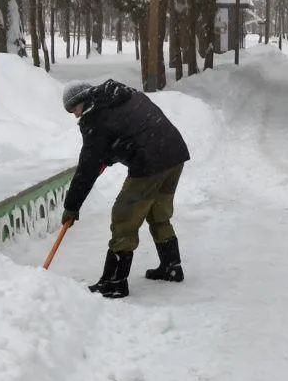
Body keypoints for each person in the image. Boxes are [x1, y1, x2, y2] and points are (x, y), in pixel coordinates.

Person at [60, 79, 191, 299]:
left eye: (74, 110)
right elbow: (131, 130)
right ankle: (171, 266)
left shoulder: (95, 118)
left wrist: (71, 206)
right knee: (158, 211)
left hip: (150, 162)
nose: (75, 116)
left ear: (82, 101)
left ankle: (114, 282)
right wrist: (109, 155)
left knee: (124, 217)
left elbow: (87, 167)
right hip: (174, 153)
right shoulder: (120, 94)